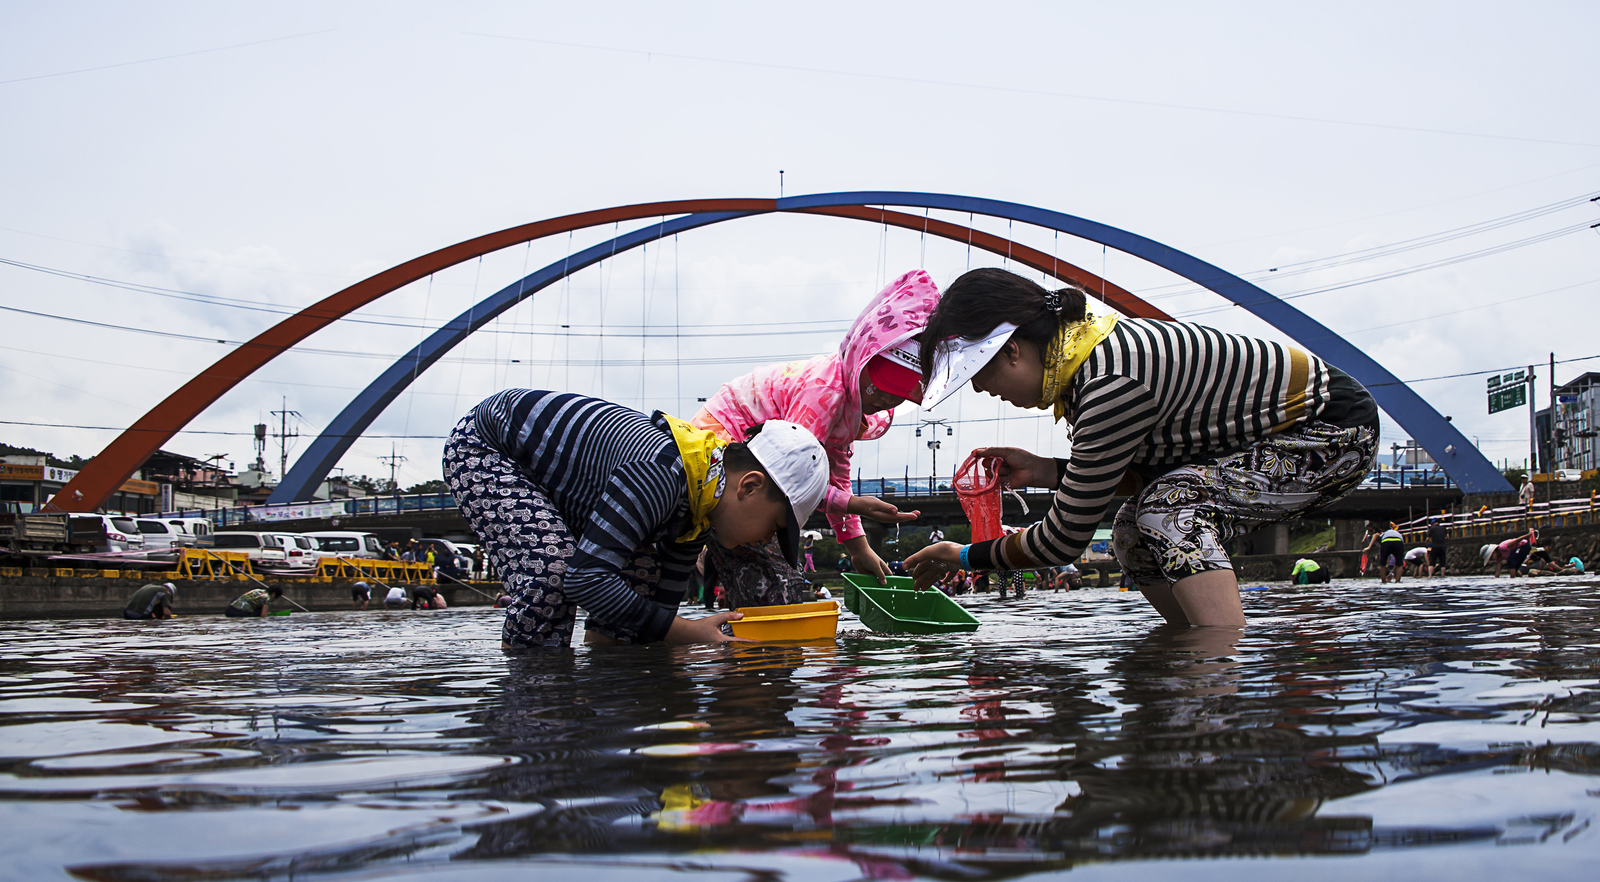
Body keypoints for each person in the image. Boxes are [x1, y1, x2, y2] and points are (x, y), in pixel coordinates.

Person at [904, 268, 1378, 630]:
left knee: (1167, 509)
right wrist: (1047, 471)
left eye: (978, 373)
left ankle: (1219, 660)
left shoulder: (1109, 382)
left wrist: (964, 556)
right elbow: (1147, 472)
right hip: (1274, 441)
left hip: (1333, 433)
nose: (980, 389)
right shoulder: (1086, 360)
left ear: (1011, 350)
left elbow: (1062, 540)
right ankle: (1186, 644)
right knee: (1131, 529)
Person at [442, 388, 831, 648]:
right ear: (749, 486)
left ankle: (612, 683)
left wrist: (677, 646)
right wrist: (687, 633)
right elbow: (584, 578)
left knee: (644, 578)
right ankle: (532, 696)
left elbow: (663, 606)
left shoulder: (699, 511)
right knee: (553, 575)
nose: (763, 541)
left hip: (564, 488)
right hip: (488, 446)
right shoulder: (662, 473)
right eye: (774, 527)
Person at [689, 271, 935, 605]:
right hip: (724, 445)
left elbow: (834, 475)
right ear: (860, 359)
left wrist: (859, 547)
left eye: (898, 393)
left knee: (771, 573)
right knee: (773, 578)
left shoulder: (850, 406)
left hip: (757, 465)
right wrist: (854, 504)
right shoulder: (823, 392)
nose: (884, 398)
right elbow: (791, 478)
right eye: (879, 385)